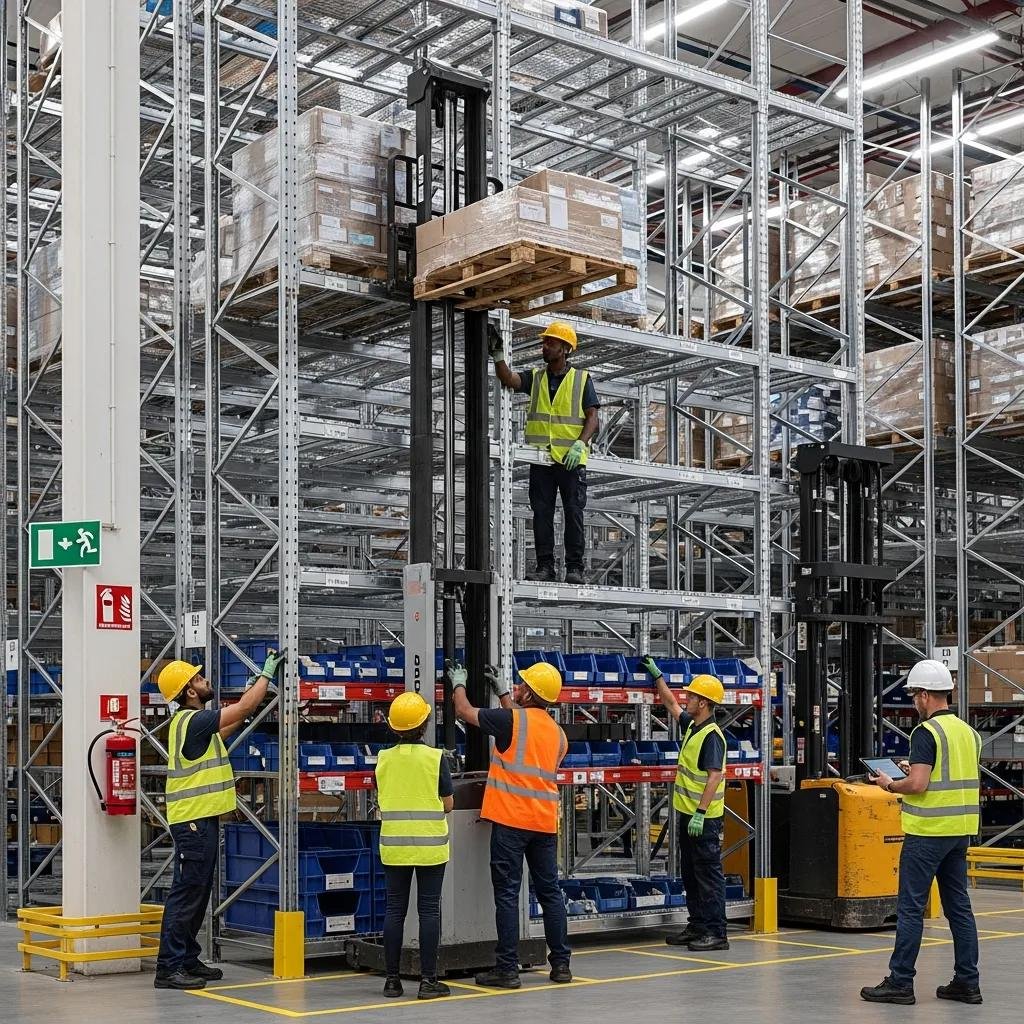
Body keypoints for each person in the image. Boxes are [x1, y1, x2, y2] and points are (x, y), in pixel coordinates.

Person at [154, 650, 286, 990]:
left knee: (198, 893)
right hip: (193, 823)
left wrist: (251, 698)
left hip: (202, 821)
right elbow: (240, 710)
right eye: (199, 679)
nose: (206, 680)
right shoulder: (192, 720)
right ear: (189, 692)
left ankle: (186, 958)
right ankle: (168, 968)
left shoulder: (195, 726)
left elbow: (227, 728)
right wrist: (265, 676)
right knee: (186, 894)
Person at [860, 659, 983, 1006]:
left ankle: (900, 982)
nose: (914, 700)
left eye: (914, 694)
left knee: (910, 907)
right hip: (959, 831)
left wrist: (889, 783)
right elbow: (944, 774)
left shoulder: (925, 732)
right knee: (959, 907)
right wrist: (911, 767)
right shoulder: (967, 732)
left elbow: (918, 784)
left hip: (928, 832)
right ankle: (967, 982)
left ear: (926, 695)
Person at [449, 659, 572, 988]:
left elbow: (465, 712)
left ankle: (507, 969)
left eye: (521, 686)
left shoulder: (511, 720)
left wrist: (457, 683)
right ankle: (561, 964)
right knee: (550, 894)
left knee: (506, 895)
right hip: (544, 824)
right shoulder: (558, 735)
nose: (517, 688)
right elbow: (524, 728)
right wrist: (503, 693)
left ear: (530, 694)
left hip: (511, 821)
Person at [488, 321, 599, 585]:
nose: (544, 346)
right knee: (542, 513)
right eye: (545, 342)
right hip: (541, 458)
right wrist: (499, 356)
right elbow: (509, 379)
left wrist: (581, 443)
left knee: (573, 512)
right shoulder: (537, 377)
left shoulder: (581, 379)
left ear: (565, 349)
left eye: (550, 343)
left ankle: (575, 568)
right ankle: (545, 566)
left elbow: (593, 417)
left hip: (570, 459)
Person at [641, 657, 729, 951]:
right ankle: (698, 926)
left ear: (703, 703)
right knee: (691, 874)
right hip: (688, 815)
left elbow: (714, 777)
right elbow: (670, 705)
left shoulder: (712, 737)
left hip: (703, 819)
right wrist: (658, 677)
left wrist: (701, 813)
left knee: (708, 876)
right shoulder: (693, 727)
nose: (686, 698)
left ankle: (717, 933)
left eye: (691, 695)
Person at [375, 692, 454, 1001]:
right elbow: (448, 804)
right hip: (430, 847)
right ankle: (428, 981)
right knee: (428, 911)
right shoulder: (436, 759)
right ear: (425, 724)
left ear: (394, 728)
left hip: (394, 846)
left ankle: (392, 981)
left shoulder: (383, 759)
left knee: (394, 910)